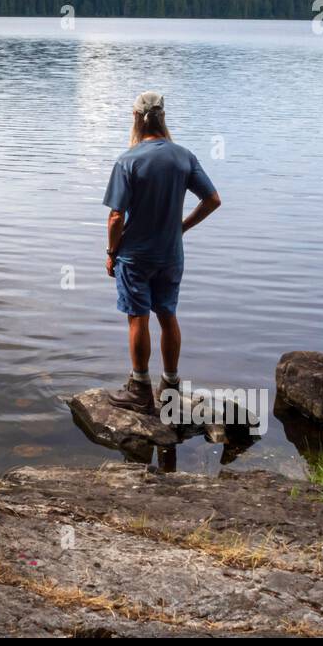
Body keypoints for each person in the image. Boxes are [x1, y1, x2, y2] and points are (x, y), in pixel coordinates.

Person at [103, 91, 221, 415]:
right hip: (171, 255)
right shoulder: (183, 156)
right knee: (167, 316)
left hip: (136, 257)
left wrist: (112, 252)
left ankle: (140, 389)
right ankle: (170, 387)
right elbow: (212, 200)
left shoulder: (128, 160)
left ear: (136, 118)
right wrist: (181, 228)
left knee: (137, 317)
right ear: (163, 117)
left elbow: (116, 217)